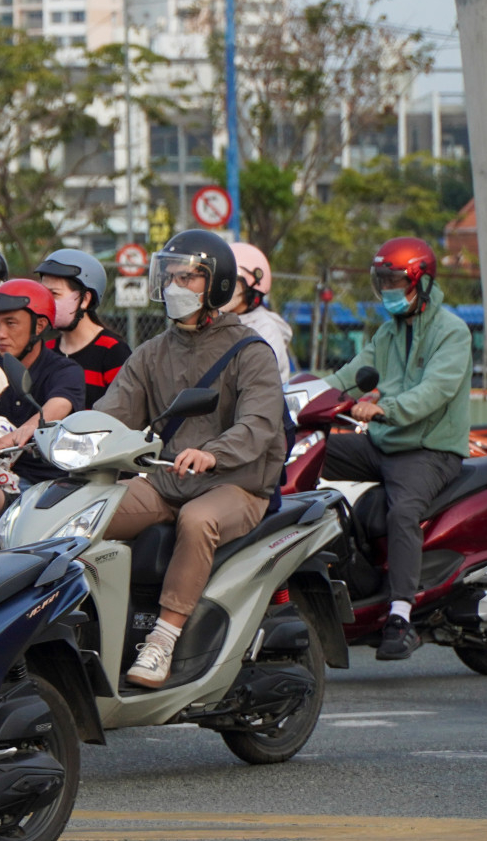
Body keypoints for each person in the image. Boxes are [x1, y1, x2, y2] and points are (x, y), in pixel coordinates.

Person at [94, 230, 287, 689]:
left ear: (217, 285)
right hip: (165, 480)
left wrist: (212, 454)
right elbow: (112, 411)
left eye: (189, 277)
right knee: (90, 512)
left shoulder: (251, 351)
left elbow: (259, 424)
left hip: (236, 484)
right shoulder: (151, 352)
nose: (175, 286)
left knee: (198, 521)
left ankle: (163, 638)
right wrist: (64, 435)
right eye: (170, 276)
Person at [320, 237, 472, 660]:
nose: (387, 289)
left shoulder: (452, 332)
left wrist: (383, 409)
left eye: (394, 281)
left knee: (402, 512)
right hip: (383, 445)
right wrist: (297, 399)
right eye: (381, 280)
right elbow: (349, 376)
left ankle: (401, 615)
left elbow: (434, 391)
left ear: (420, 282)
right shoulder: (388, 333)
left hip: (429, 450)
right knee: (311, 450)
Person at [0, 278, 85, 490]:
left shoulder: (64, 370)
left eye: (10, 323)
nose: (0, 333)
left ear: (39, 325)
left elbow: (59, 405)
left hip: (43, 483)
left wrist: (14, 436)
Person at [35, 248, 132, 399]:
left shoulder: (112, 351)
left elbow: (125, 410)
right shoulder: (45, 350)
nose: (46, 302)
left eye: (54, 294)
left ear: (85, 299)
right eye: (43, 294)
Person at [227, 242, 295, 381]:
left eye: (233, 282)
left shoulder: (265, 329)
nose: (224, 288)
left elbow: (254, 381)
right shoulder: (221, 322)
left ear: (254, 285)